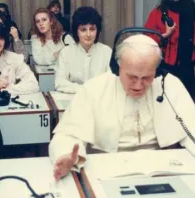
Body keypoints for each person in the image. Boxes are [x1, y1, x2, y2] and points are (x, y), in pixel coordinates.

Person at [49, 34, 195, 180]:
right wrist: (67, 155)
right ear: (116, 67)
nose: (138, 86)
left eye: (146, 77)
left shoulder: (169, 85)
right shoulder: (94, 89)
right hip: (107, 170)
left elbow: (192, 130)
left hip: (163, 171)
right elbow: (67, 135)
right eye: (132, 77)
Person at [145, 0, 195, 100]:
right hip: (164, 69)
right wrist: (164, 36)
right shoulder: (158, 13)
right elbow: (147, 40)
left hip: (188, 69)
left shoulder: (192, 10)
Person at [55, 6, 111, 94]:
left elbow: (111, 83)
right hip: (74, 100)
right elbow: (60, 82)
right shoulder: (66, 52)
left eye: (92, 29)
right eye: (83, 30)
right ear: (76, 31)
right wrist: (83, 90)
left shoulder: (106, 51)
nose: (88, 34)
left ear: (97, 30)